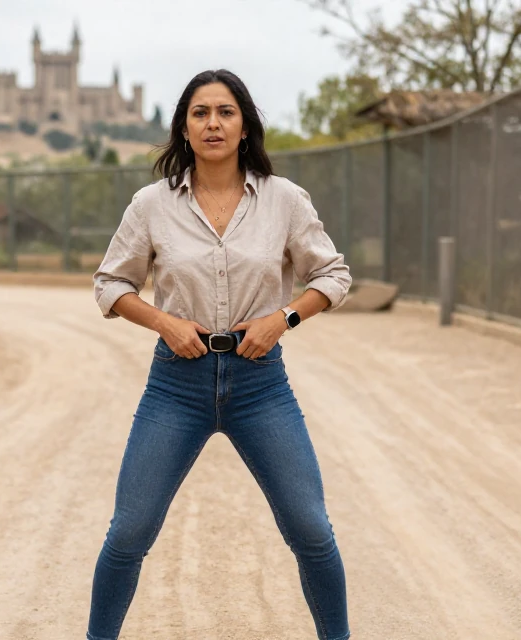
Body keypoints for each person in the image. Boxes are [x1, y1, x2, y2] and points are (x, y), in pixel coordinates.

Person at [88, 69, 353, 640]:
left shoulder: (284, 199)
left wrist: (283, 320)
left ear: (244, 126)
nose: (213, 123)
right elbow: (110, 284)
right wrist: (163, 322)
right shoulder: (152, 204)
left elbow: (333, 275)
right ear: (184, 128)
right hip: (175, 386)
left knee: (311, 529)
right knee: (129, 532)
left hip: (260, 385)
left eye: (226, 112)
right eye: (200, 113)